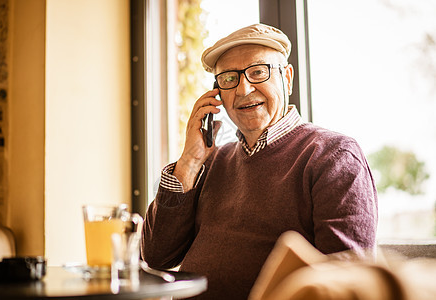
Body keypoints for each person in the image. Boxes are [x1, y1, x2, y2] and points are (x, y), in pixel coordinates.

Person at [141, 23, 378, 300]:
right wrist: (190, 162)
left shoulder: (333, 155)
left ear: (287, 78)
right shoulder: (212, 161)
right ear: (218, 95)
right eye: (229, 78)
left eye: (257, 72)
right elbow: (156, 256)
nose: (243, 89)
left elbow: (343, 283)